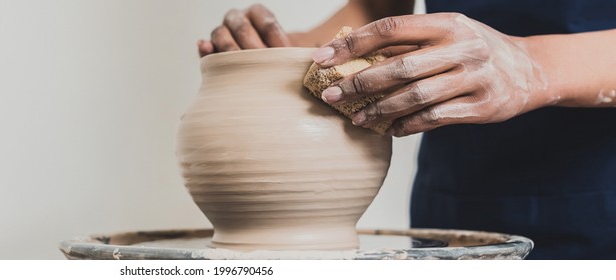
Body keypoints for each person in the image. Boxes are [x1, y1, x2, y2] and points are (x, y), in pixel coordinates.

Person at [197, 0, 616, 259]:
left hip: (599, 211)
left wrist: (534, 66)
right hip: (459, 201)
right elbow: (375, 9)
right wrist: (284, 54)